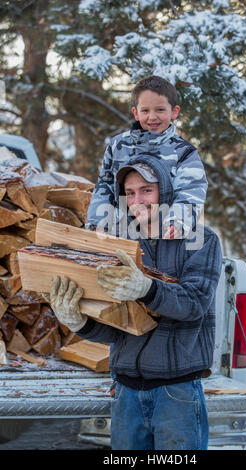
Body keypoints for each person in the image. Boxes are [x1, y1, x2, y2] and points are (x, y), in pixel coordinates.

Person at [48, 160, 223, 450]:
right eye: (129, 193)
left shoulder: (199, 239)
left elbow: (195, 304)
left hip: (176, 392)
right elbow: (117, 328)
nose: (137, 201)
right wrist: (80, 322)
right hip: (125, 393)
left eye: (146, 190)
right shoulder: (119, 243)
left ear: (166, 193)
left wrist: (147, 288)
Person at [86, 75, 207, 240]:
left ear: (174, 112)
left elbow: (191, 191)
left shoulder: (184, 152)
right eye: (145, 111)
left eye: (160, 110)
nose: (152, 117)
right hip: (124, 232)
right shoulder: (118, 146)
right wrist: (99, 222)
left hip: (164, 233)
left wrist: (177, 222)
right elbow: (105, 185)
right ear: (135, 113)